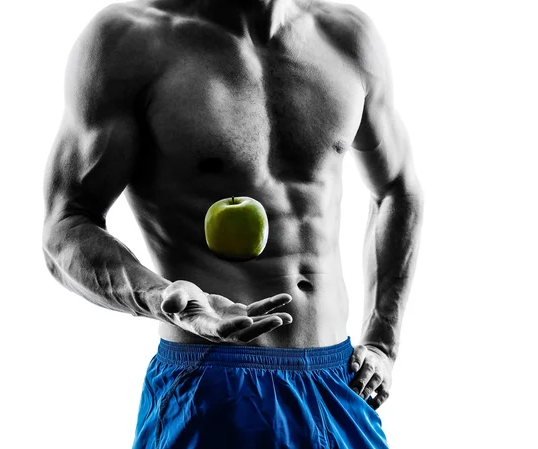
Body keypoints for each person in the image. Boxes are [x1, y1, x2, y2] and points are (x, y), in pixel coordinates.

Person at [42, 0, 424, 447]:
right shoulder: (129, 41)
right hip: (213, 385)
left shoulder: (347, 36)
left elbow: (398, 189)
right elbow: (66, 225)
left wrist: (381, 342)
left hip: (339, 383)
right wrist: (160, 297)